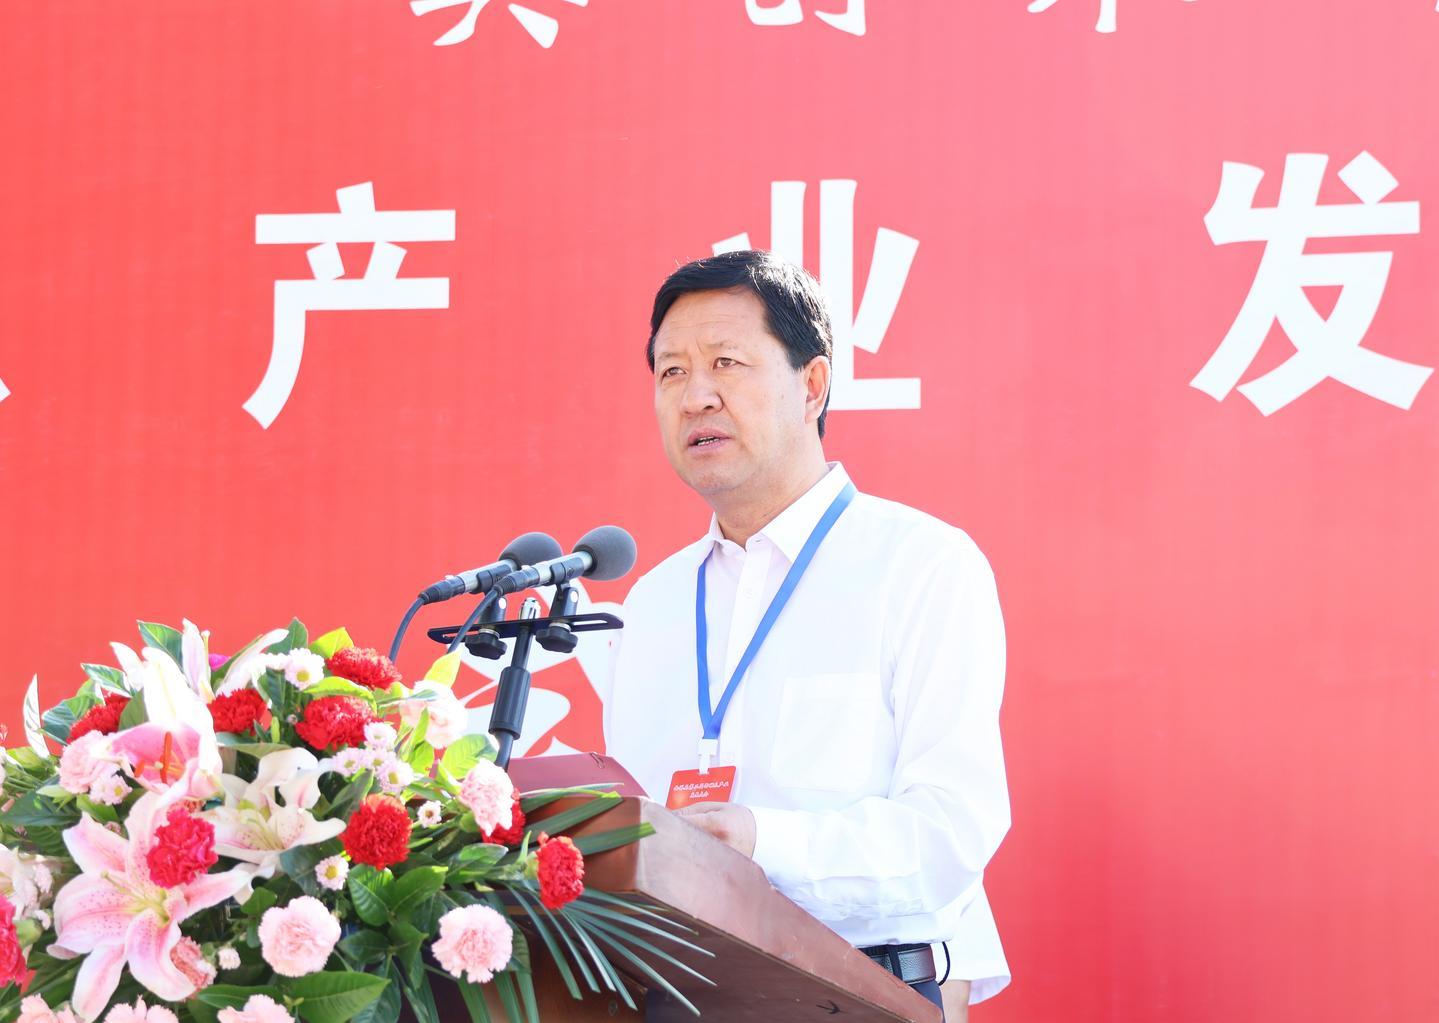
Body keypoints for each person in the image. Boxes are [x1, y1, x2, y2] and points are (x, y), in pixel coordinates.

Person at [603, 250, 1011, 1019]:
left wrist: (761, 841)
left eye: (725, 363)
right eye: (671, 372)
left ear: (812, 384)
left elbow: (951, 832)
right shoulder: (652, 602)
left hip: (857, 991)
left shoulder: (919, 563)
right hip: (672, 996)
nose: (696, 395)